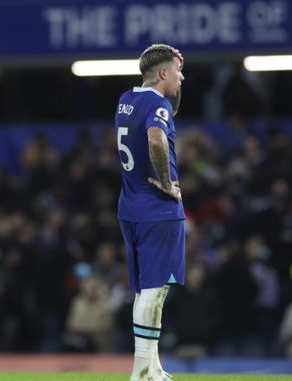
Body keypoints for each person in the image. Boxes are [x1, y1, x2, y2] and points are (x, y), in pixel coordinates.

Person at [114, 44, 185, 381]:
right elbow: (156, 140)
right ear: (161, 73)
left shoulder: (127, 99)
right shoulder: (157, 104)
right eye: (177, 71)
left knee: (146, 291)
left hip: (130, 204)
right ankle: (141, 372)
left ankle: (151, 367)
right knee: (155, 290)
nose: (181, 77)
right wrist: (168, 184)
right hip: (157, 209)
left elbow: (159, 121)